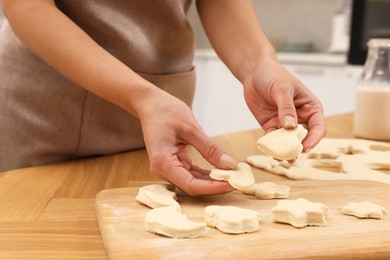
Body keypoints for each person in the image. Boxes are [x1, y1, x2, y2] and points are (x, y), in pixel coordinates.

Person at [0, 0, 326, 195]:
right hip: (51, 108)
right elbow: (27, 4)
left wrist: (259, 66)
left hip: (163, 105)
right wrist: (143, 97)